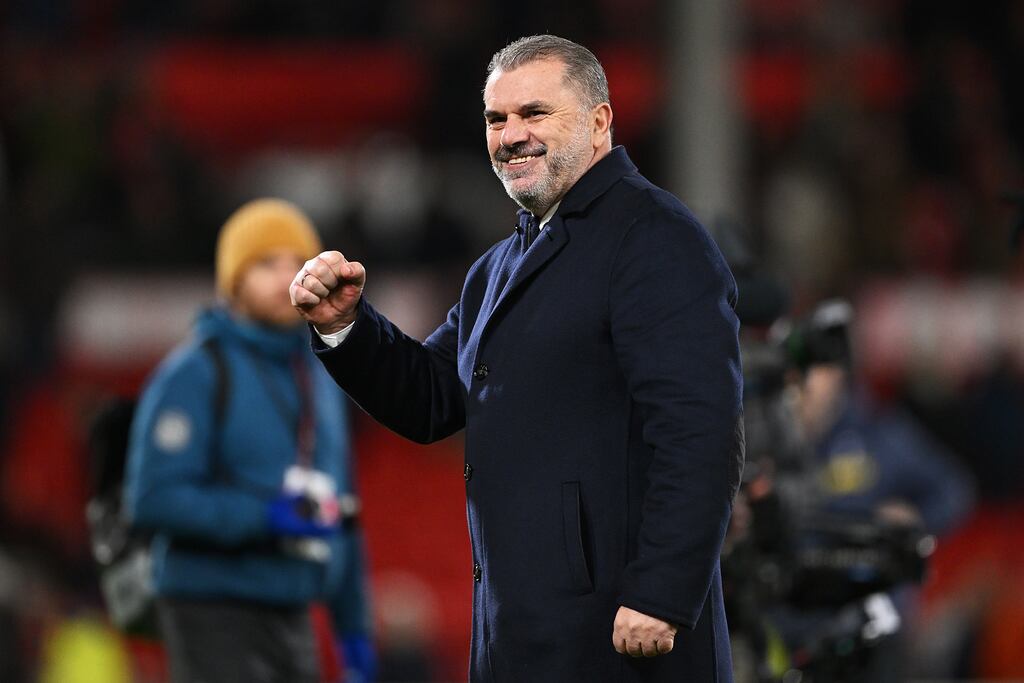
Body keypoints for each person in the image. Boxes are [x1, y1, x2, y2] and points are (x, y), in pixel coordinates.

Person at [292, 35, 744, 683]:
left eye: (535, 113)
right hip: (521, 639)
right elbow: (430, 401)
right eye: (495, 119)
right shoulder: (496, 269)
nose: (512, 135)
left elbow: (700, 431)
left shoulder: (655, 239)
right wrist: (346, 329)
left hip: (623, 642)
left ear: (598, 122)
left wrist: (663, 592)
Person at [124, 199, 375, 683]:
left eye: (295, 263)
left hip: (294, 609)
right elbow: (152, 500)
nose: (285, 277)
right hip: (212, 609)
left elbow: (340, 508)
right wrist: (264, 516)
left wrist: (354, 630)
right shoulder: (195, 372)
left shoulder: (321, 377)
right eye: (266, 264)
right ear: (233, 280)